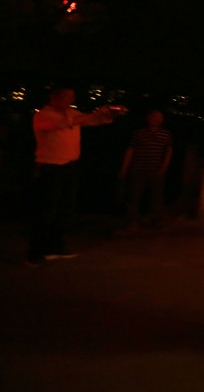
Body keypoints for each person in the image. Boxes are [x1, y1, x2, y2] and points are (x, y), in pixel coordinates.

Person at [26, 86, 122, 266]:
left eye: (72, 96)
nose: (70, 99)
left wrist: (110, 115)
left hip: (70, 166)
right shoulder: (43, 115)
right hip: (50, 166)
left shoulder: (72, 113)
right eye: (66, 96)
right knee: (46, 210)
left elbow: (92, 121)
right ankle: (34, 253)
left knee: (65, 209)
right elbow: (66, 123)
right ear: (54, 97)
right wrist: (95, 113)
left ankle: (56, 246)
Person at [118, 109, 173, 230]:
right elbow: (130, 150)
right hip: (138, 168)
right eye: (155, 117)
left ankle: (156, 220)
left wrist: (164, 167)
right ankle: (133, 221)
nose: (158, 120)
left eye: (160, 117)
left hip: (156, 169)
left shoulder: (165, 134)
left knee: (157, 196)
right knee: (134, 196)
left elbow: (168, 152)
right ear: (148, 119)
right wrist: (124, 168)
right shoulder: (139, 133)